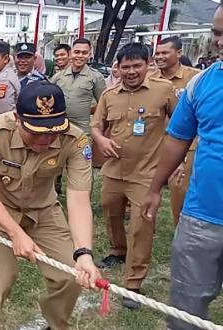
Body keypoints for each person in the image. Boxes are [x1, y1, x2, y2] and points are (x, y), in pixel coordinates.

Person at [0, 81, 101, 330]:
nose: (46, 138)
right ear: (17, 119)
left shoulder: (75, 140)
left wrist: (84, 252)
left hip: (43, 210)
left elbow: (78, 199)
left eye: (53, 131)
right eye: (37, 131)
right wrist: (16, 233)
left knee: (72, 274)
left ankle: (54, 323)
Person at [141, 5, 223, 329]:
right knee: (186, 312)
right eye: (217, 32)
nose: (220, 41)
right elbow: (177, 138)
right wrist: (154, 188)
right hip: (201, 219)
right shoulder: (201, 84)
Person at [91, 42, 178, 310]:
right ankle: (118, 250)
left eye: (136, 65)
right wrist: (101, 140)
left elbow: (182, 124)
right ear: (117, 68)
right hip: (115, 171)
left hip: (146, 174)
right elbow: (96, 125)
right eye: (125, 66)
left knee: (142, 226)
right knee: (111, 211)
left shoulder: (163, 91)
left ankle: (133, 283)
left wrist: (179, 161)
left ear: (148, 65)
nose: (130, 71)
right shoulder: (109, 95)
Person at [153, 36, 201, 226]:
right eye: (157, 53)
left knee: (180, 190)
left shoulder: (196, 78)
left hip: (186, 145)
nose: (159, 57)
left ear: (179, 53)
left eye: (165, 52)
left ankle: (182, 234)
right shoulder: (149, 79)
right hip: (155, 143)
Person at [51, 38, 106, 135]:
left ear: (89, 55)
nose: (80, 56)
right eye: (77, 52)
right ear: (71, 53)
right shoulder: (58, 77)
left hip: (84, 130)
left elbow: (103, 104)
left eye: (84, 53)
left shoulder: (96, 77)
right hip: (60, 128)